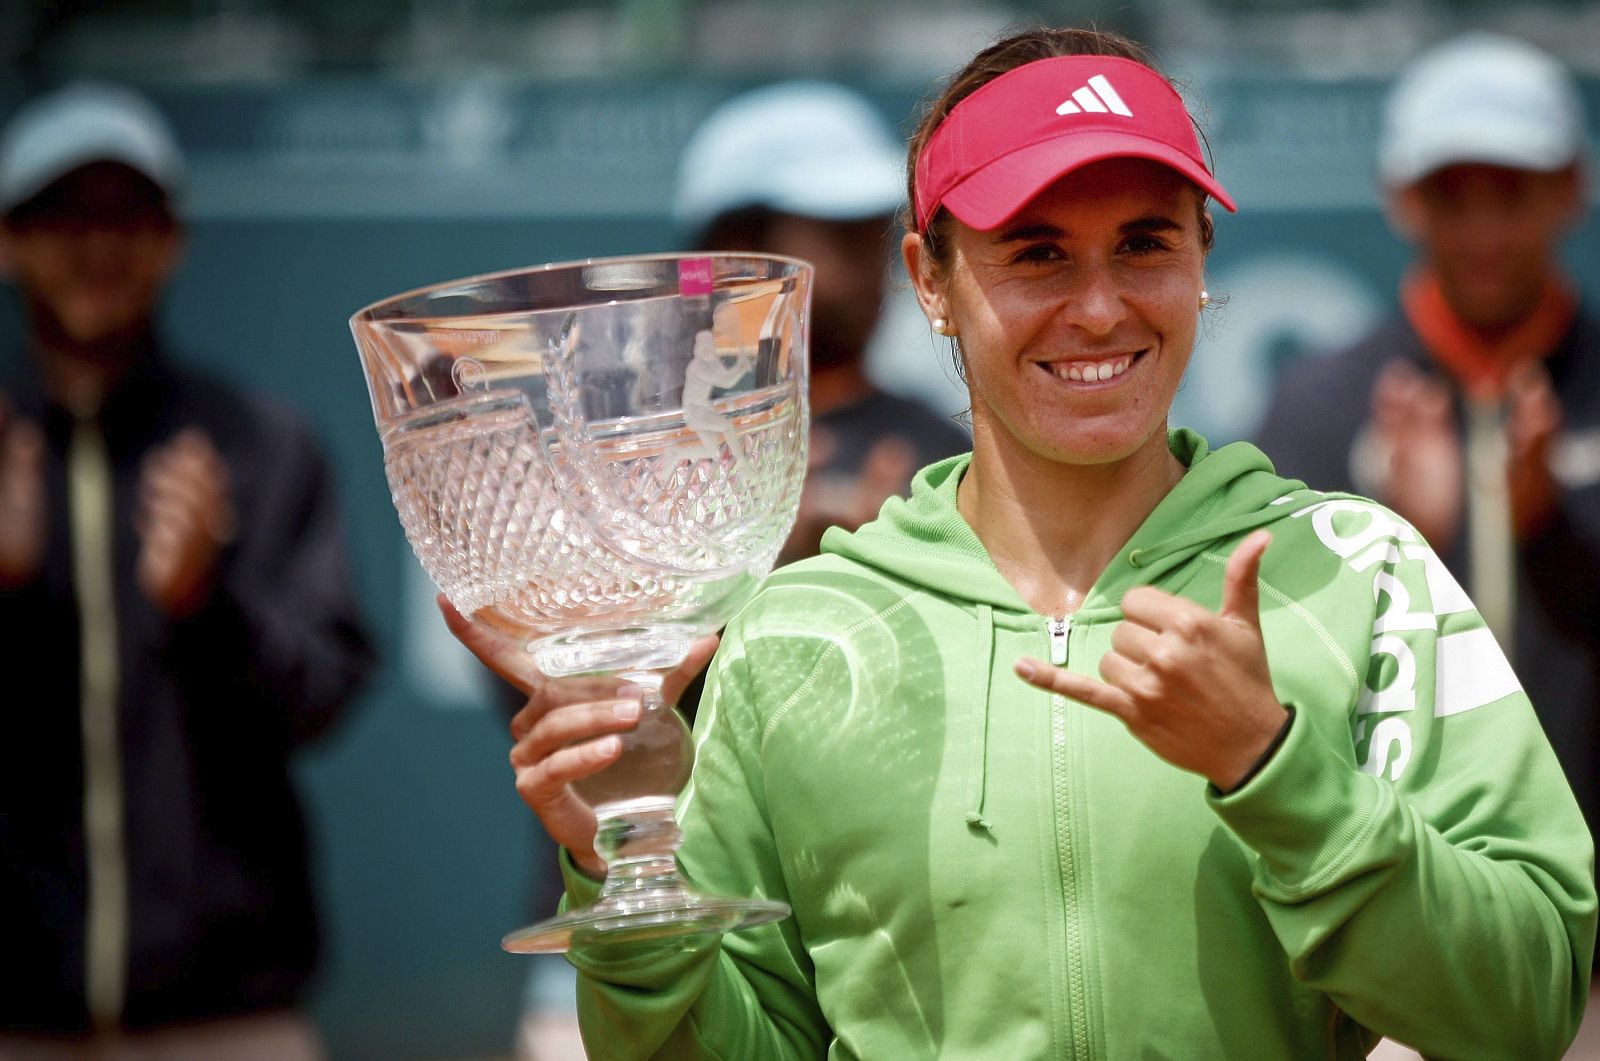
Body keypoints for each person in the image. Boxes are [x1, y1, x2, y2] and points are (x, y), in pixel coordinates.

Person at [452, 28, 1595, 1058]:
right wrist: (618, 877)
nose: (1098, 308)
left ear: (1202, 260)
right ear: (928, 281)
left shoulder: (1359, 571)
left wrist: (1274, 769)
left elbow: (1525, 1004)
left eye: (1144, 243)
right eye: (1037, 253)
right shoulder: (802, 626)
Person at [0, 84, 375, 1055]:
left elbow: (324, 692)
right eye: (60, 216)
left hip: (231, 1013)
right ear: (9, 242)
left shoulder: (256, 444)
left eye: (126, 215)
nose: (96, 246)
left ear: (171, 241)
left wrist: (209, 602)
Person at [1255, 35, 1600, 851]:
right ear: (1403, 198)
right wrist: (1405, 543)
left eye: (1511, 191)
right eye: (1452, 195)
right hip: (1396, 892)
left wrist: (1547, 532)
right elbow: (1280, 673)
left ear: (1571, 190)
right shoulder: (1320, 406)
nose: (1484, 228)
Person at [674, 80, 971, 563]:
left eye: (878, 232)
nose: (874, 264)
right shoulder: (636, 451)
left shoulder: (942, 455)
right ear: (738, 249)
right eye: (841, 236)